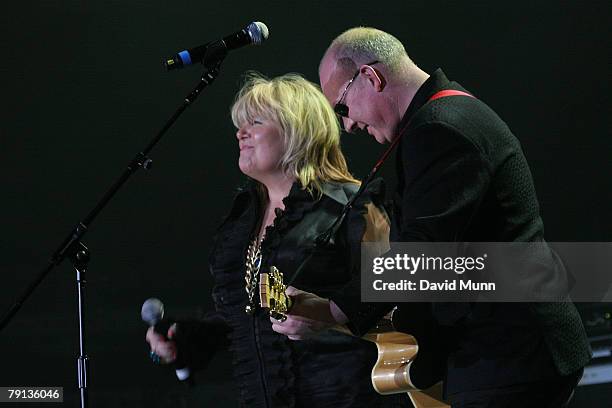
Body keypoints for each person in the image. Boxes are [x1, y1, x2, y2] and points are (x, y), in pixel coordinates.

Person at [271, 27, 592, 407]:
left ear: (371, 78)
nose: (347, 125)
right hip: (505, 351)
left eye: (342, 107)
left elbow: (423, 253)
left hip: (507, 353)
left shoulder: (440, 127)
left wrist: (330, 311)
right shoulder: (442, 118)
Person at [145, 73, 406, 407]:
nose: (241, 133)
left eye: (255, 121)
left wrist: (333, 312)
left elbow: (401, 289)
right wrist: (186, 341)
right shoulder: (243, 221)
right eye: (240, 124)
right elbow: (246, 319)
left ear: (298, 130)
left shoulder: (350, 204)